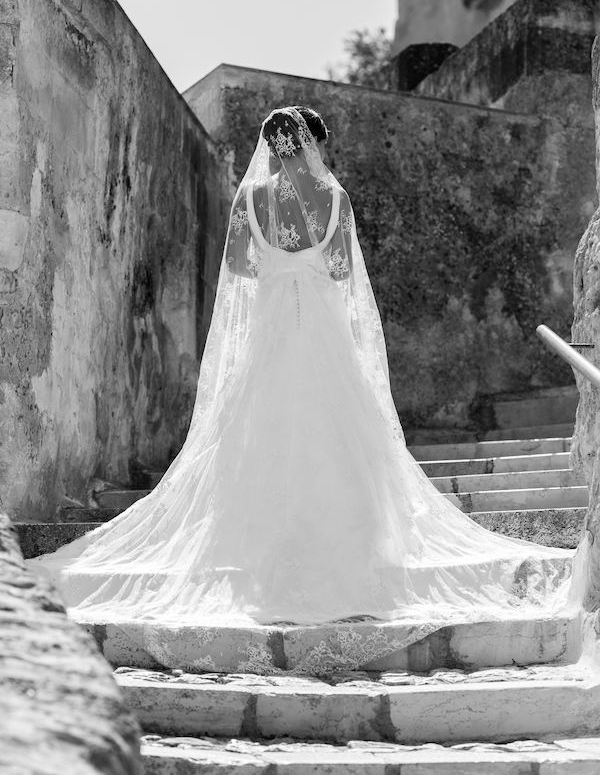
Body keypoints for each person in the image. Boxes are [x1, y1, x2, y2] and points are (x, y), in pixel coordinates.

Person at [29, 106, 574, 674]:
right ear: (310, 143)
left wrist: (278, 261)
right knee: (337, 437)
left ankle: (266, 562)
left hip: (270, 337)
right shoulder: (334, 199)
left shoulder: (251, 200)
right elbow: (341, 270)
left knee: (261, 437)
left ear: (270, 145)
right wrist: (306, 264)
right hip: (324, 335)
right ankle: (345, 563)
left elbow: (239, 267)